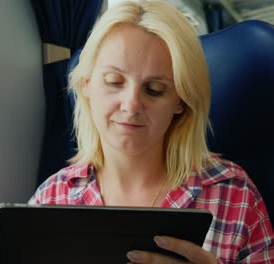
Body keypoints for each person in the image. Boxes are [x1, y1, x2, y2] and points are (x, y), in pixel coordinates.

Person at [28, 1, 274, 263]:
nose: (132, 105)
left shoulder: (233, 192)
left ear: (181, 100)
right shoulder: (51, 198)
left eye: (155, 89)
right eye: (114, 82)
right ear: (86, 85)